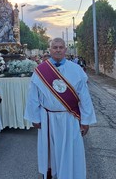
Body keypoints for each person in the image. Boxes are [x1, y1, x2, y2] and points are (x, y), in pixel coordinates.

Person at [24, 37, 96, 179]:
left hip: (70, 118)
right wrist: (34, 117)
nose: (58, 50)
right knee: (51, 152)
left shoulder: (76, 70)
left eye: (60, 47)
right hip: (48, 118)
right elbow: (33, 96)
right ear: (49, 50)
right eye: (55, 47)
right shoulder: (40, 71)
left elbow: (85, 97)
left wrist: (86, 120)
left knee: (71, 151)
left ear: (65, 49)